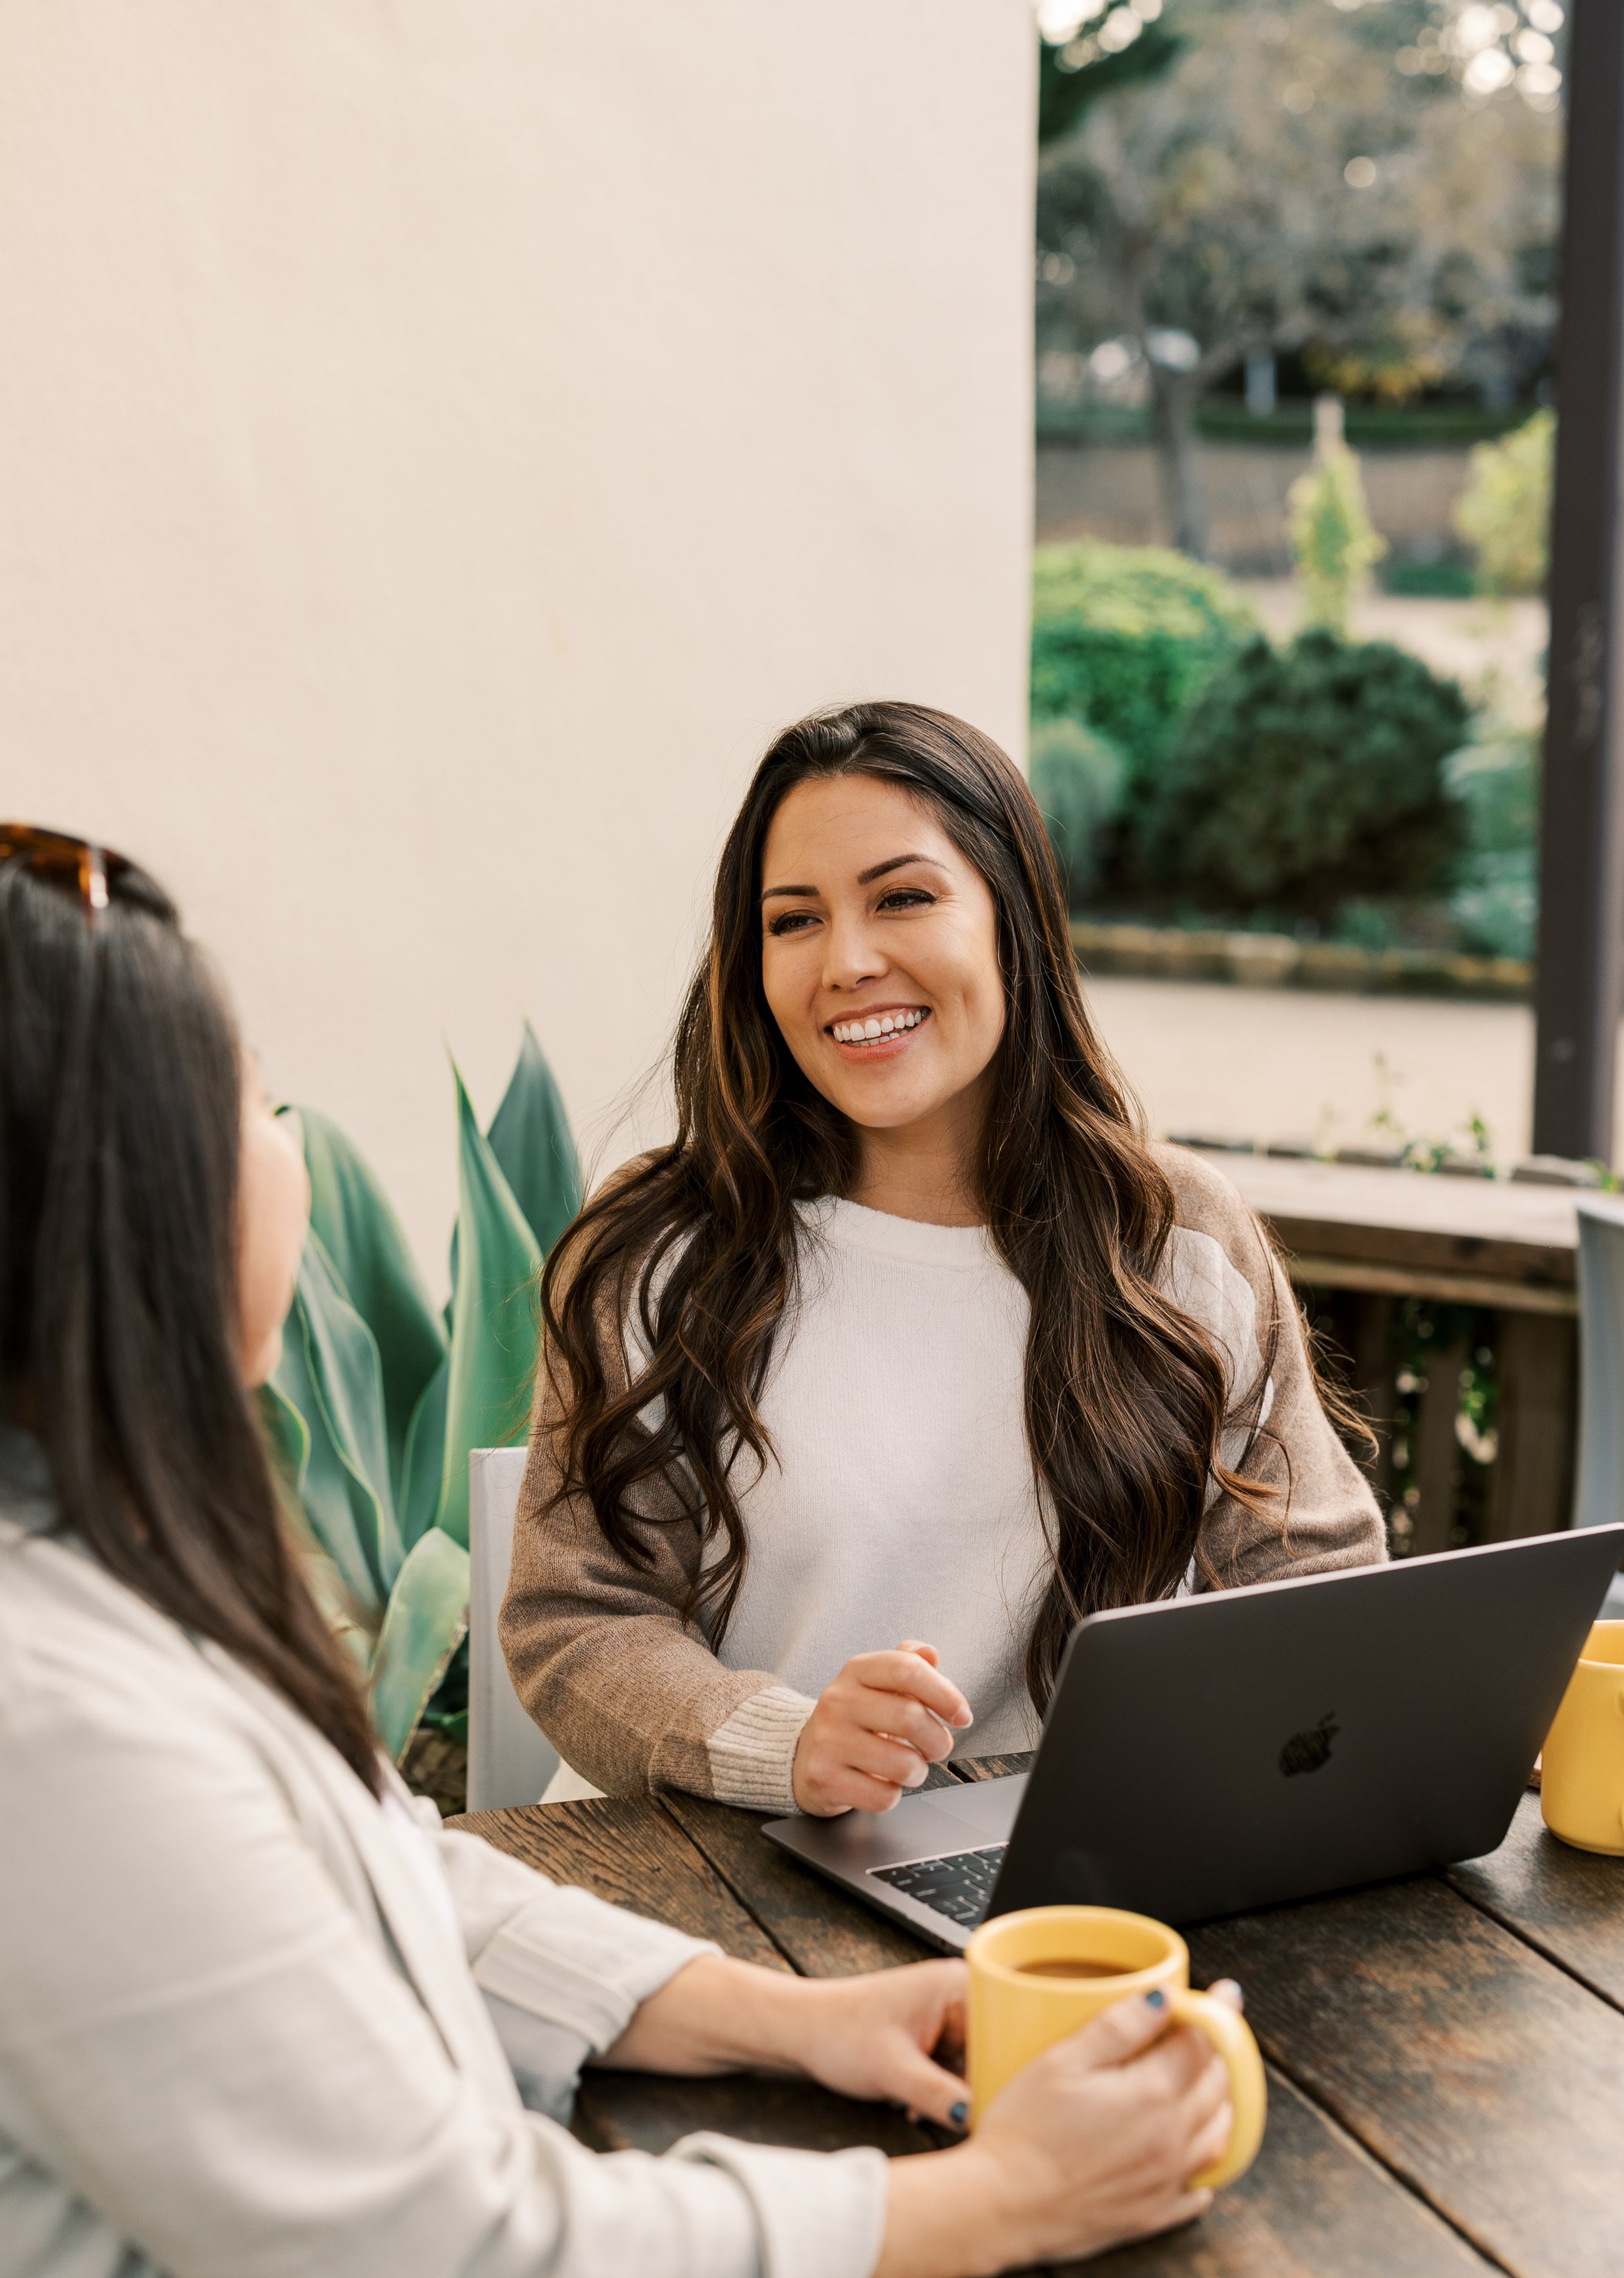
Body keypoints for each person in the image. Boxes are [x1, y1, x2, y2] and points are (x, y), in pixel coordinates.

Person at [0, 822, 1240, 2278]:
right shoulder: (52, 1729)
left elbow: (374, 1885)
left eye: (903, 896)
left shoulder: (106, 1588)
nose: (285, 1139)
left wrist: (777, 2016)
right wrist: (1000, 2197)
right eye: (242, 1095)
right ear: (118, 1206)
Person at [502, 702, 1385, 1817]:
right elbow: (570, 1619)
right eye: (794, 920)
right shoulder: (662, 1247)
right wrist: (784, 1741)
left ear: (1012, 918)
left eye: (903, 897)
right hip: (704, 1870)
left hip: (1058, 1870)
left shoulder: (1178, 1238)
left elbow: (1314, 1582)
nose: (848, 961)